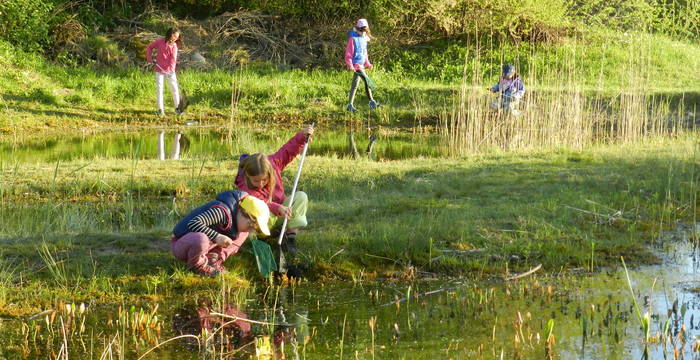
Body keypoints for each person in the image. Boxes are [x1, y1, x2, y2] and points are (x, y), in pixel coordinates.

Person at [234, 125, 314, 254]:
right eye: (256, 180)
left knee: (301, 197)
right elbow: (261, 204)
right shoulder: (245, 185)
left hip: (280, 212)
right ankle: (264, 237)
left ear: (270, 173)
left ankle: (290, 237)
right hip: (263, 220)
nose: (260, 184)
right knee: (260, 210)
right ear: (248, 175)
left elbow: (288, 150)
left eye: (264, 180)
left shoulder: (273, 163)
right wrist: (278, 208)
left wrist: (301, 137)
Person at [171, 190, 270, 276]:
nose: (249, 229)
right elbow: (193, 224)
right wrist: (217, 236)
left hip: (205, 246)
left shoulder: (237, 222)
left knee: (242, 234)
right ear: (242, 212)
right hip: (183, 244)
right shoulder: (221, 212)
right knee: (201, 239)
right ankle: (196, 266)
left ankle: (212, 260)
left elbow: (241, 231)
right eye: (249, 225)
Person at [344, 18, 380, 113]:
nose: (363, 32)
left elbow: (364, 53)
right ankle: (372, 102)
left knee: (355, 86)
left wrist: (367, 63)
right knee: (367, 81)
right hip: (356, 65)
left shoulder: (364, 38)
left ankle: (349, 105)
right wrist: (350, 65)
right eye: (362, 30)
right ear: (358, 28)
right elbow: (348, 54)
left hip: (361, 65)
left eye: (365, 30)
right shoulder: (353, 38)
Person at [146, 28, 182, 117]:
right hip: (159, 70)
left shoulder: (174, 46)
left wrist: (170, 71)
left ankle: (178, 109)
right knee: (160, 89)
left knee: (174, 89)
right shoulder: (160, 41)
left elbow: (173, 60)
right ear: (170, 34)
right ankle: (160, 110)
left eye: (177, 37)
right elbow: (150, 47)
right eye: (174, 36)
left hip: (170, 71)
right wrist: (149, 58)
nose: (175, 38)